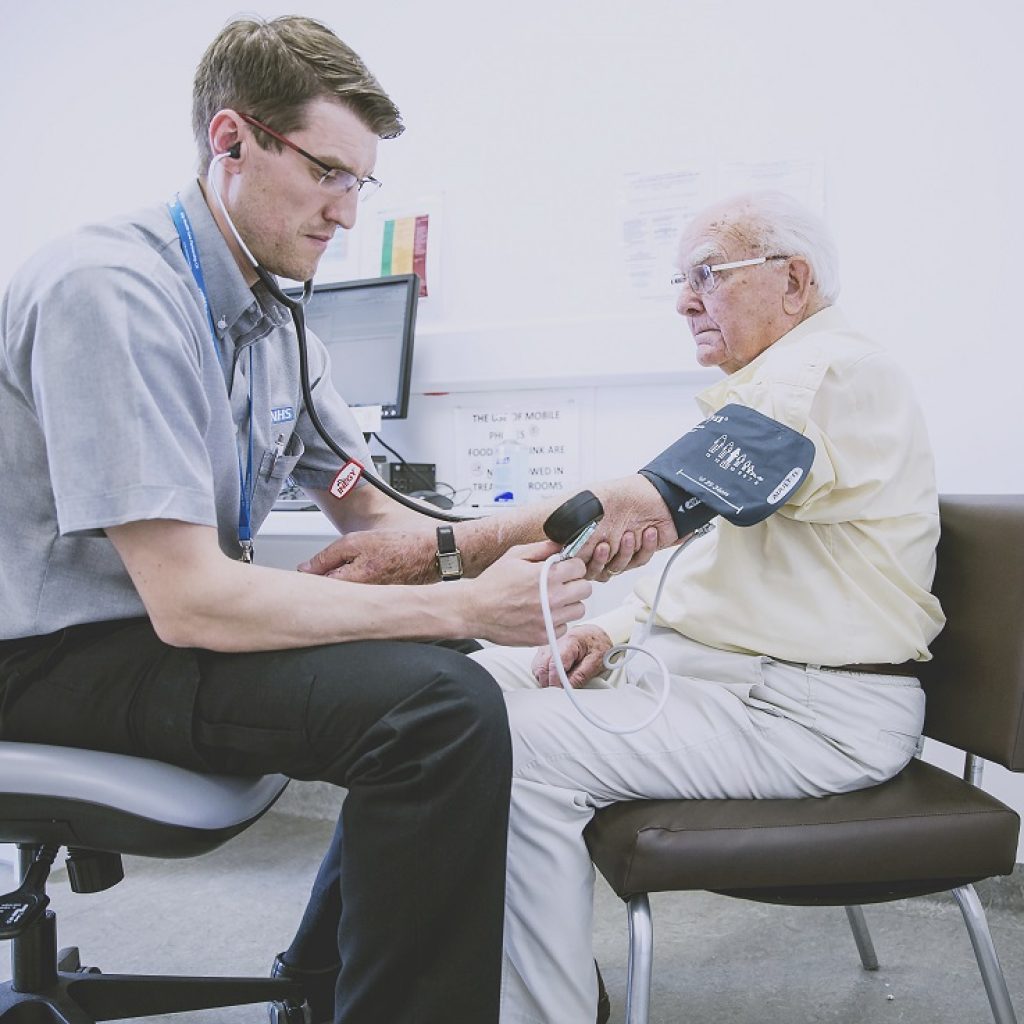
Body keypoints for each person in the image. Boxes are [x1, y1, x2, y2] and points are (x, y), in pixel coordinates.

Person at [0, 16, 614, 1024]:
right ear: (231, 140)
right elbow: (194, 600)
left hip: (148, 634)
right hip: (48, 655)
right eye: (329, 173)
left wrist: (531, 558)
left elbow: (376, 511)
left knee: (447, 673)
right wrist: (468, 599)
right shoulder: (114, 293)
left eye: (359, 184)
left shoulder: (273, 315)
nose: (345, 211)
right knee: (434, 708)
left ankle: (322, 993)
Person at [305, 190, 947, 1024]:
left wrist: (434, 550)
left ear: (794, 280)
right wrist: (607, 630)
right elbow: (710, 555)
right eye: (682, 278)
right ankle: (320, 973)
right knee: (421, 704)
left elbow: (647, 504)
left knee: (507, 749)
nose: (683, 299)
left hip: (809, 714)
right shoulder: (771, 392)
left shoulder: (829, 375)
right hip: (722, 682)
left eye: (708, 275)